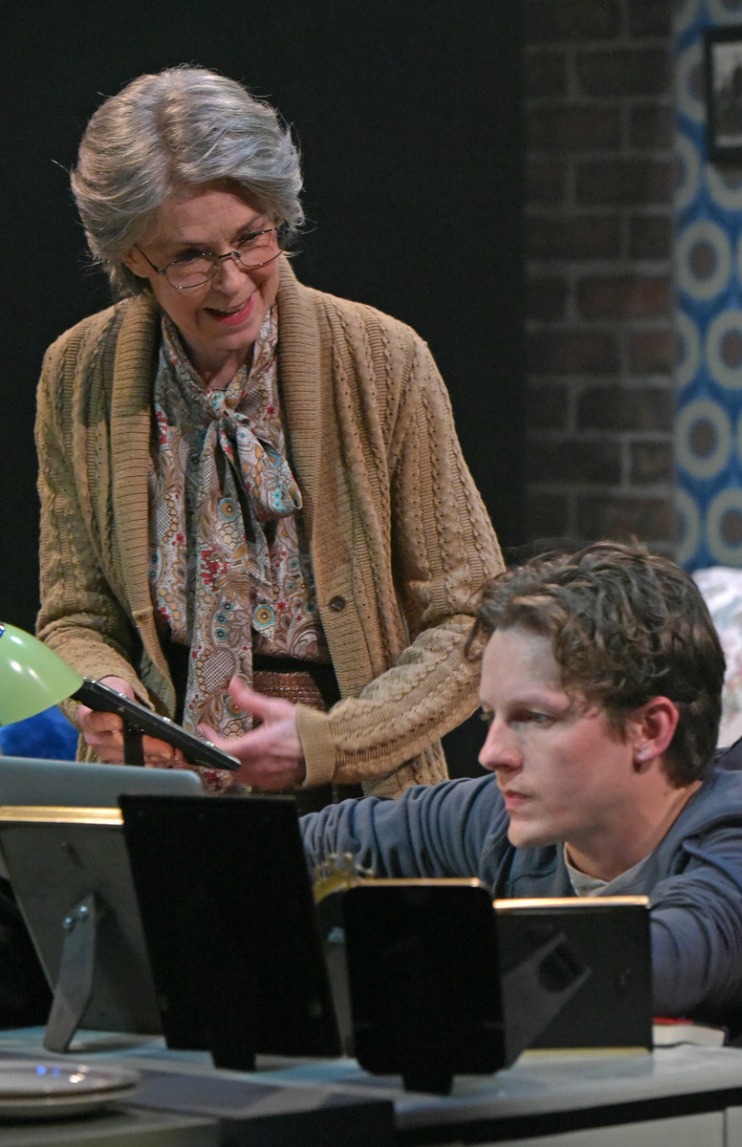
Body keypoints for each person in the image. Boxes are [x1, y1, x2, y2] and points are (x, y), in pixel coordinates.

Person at [35, 65, 503, 800]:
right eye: (189, 256)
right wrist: (101, 691)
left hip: (356, 802)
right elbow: (75, 614)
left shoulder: (384, 360)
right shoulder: (78, 374)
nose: (232, 280)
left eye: (253, 239)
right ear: (133, 258)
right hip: (155, 797)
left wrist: (328, 743)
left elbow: (473, 618)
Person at [302, 540, 742, 1141]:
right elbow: (311, 847)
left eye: (535, 718)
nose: (493, 755)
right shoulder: (512, 816)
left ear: (650, 728)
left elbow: (665, 954)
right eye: (492, 718)